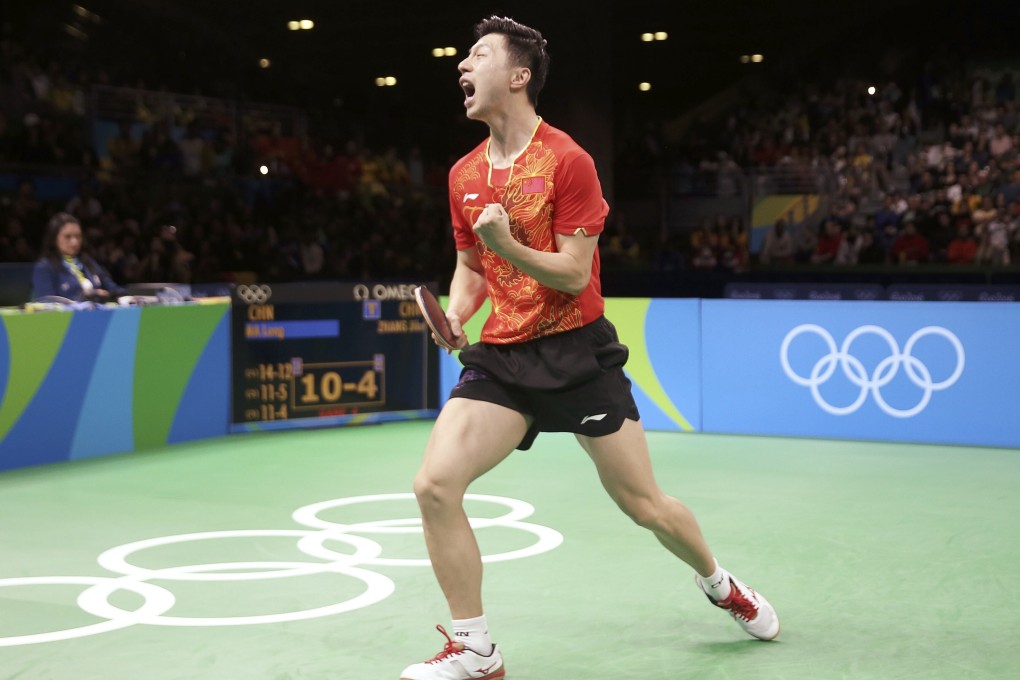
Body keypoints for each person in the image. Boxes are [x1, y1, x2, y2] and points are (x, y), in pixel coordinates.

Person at [399, 16, 779, 680]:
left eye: (478, 55)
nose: (462, 65)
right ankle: (476, 649)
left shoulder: (567, 161)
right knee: (434, 485)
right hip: (503, 357)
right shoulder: (462, 174)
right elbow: (469, 266)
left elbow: (575, 272)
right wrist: (457, 314)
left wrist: (507, 246)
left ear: (519, 77)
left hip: (578, 352)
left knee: (644, 506)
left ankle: (720, 583)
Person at [31, 212, 124, 302]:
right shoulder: (45, 267)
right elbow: (47, 303)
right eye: (68, 237)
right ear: (54, 238)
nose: (74, 242)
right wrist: (87, 297)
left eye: (78, 236)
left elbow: (113, 288)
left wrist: (127, 295)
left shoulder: (88, 262)